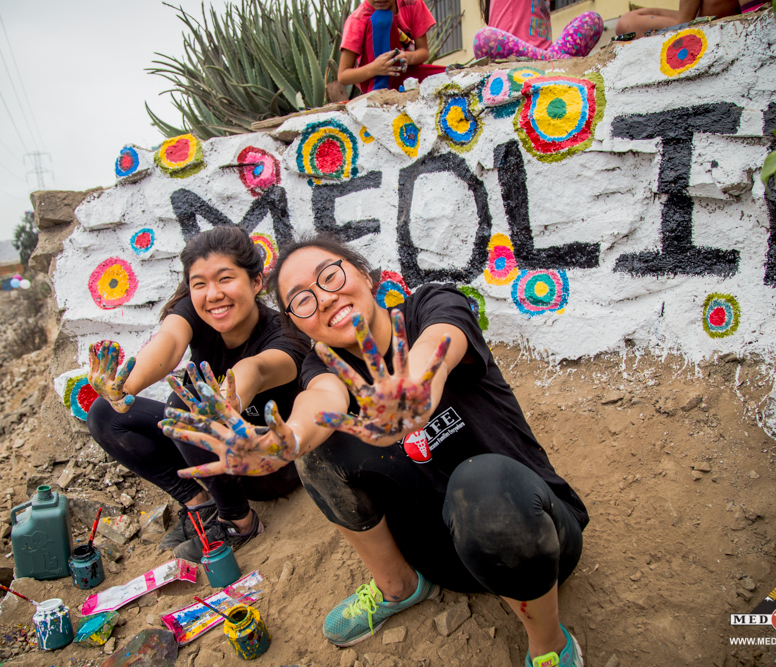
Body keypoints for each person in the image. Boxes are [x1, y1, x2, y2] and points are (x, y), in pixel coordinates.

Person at [161, 236, 589, 667]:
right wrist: (286, 440)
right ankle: (399, 584)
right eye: (302, 300)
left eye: (331, 276)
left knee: (481, 481)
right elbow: (318, 404)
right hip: (442, 558)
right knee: (318, 452)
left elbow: (438, 344)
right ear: (298, 325)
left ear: (364, 275)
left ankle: (548, 642)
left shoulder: (430, 307)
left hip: (535, 539)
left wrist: (418, 384)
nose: (325, 299)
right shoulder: (324, 369)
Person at [86, 226, 308, 560]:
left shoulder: (287, 336)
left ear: (256, 282)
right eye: (200, 284)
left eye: (225, 279)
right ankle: (201, 506)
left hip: (267, 463)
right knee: (106, 414)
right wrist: (124, 386)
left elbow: (257, 369)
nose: (213, 294)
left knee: (189, 405)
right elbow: (169, 343)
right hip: (211, 452)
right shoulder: (197, 313)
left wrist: (229, 401)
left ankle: (240, 522)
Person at [338, 0, 446, 94]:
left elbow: (424, 52)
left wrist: (407, 57)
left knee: (451, 76)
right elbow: (343, 76)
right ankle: (380, 91)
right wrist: (375, 68)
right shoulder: (357, 20)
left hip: (404, 73)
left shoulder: (412, 4)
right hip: (374, 79)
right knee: (382, 17)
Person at [473, 0, 604, 61]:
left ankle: (548, 60)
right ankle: (552, 61)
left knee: (593, 20)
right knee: (483, 38)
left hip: (549, 53)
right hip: (508, 57)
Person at [614, 0, 739, 36]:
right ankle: (680, 30)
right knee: (627, 23)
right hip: (698, 17)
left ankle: (680, 31)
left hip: (720, 18)